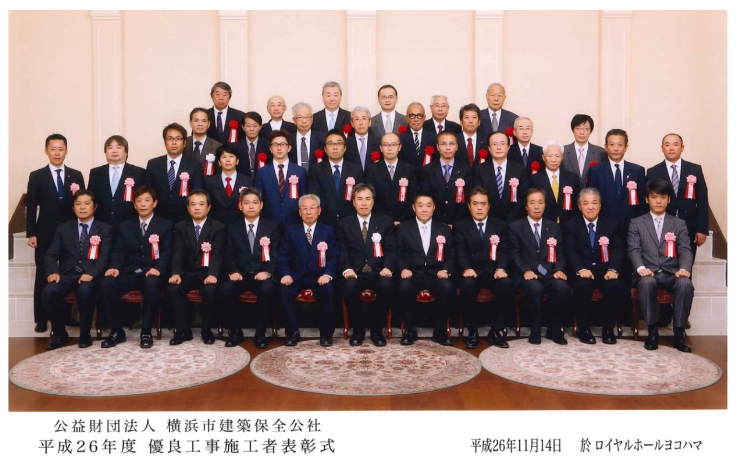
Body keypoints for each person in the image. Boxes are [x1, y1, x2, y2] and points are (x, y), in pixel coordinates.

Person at [100, 186, 174, 349]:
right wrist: (114, 267)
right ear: (134, 204)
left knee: (152, 284)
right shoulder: (125, 226)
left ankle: (146, 331)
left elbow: (168, 252)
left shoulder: (166, 225)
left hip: (152, 272)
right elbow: (119, 251)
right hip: (130, 272)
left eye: (147, 200)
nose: (143, 204)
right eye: (139, 201)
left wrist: (158, 268)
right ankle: (116, 331)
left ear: (154, 203)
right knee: (107, 283)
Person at [26, 133, 86, 333]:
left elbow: (82, 203)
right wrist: (31, 233)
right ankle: (42, 319)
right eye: (53, 149)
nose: (57, 153)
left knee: (68, 271)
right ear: (46, 151)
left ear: (66, 151)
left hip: (70, 231)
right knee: (43, 274)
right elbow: (31, 206)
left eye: (61, 149)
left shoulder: (76, 175)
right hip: (45, 232)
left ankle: (67, 316)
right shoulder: (37, 176)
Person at [628, 179, 694, 353]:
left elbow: (685, 249)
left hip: (672, 273)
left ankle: (679, 334)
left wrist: (684, 268)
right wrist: (641, 268)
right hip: (648, 272)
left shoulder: (679, 223)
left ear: (668, 199)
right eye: (654, 197)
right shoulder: (637, 223)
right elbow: (634, 249)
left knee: (685, 284)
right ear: (646, 199)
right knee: (647, 282)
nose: (658, 201)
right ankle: (652, 332)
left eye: (663, 197)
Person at [43, 190, 113, 349]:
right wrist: (52, 271)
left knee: (85, 291)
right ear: (73, 208)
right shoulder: (63, 228)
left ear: (94, 207)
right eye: (78, 204)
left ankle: (85, 335)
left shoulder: (105, 229)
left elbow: (105, 257)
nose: (82, 207)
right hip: (67, 274)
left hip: (91, 275)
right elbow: (51, 254)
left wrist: (91, 273)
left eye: (87, 204)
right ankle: (60, 334)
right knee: (49, 292)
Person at [220, 187, 280, 349]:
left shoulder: (272, 226)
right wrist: (233, 271)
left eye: (254, 202)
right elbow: (228, 253)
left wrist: (267, 272)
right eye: (247, 203)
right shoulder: (232, 227)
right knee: (226, 289)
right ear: (240, 206)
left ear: (261, 205)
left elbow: (275, 254)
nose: (251, 206)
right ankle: (235, 332)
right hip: (240, 274)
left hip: (262, 273)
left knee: (268, 288)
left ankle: (260, 333)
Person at [562, 187, 624, 345]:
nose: (590, 207)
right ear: (579, 206)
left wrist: (613, 269)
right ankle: (583, 329)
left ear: (600, 205)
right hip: (582, 272)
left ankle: (608, 329)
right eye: (586, 203)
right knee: (583, 286)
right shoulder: (570, 225)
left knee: (615, 286)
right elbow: (570, 251)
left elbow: (618, 250)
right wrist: (580, 269)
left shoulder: (612, 225)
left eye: (594, 203)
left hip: (605, 271)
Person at [454, 186, 513, 349]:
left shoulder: (500, 225)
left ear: (489, 205)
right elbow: (460, 251)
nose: (479, 208)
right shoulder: (460, 226)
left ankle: (496, 331)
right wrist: (466, 268)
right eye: (475, 204)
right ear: (469, 206)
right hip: (472, 271)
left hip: (493, 271)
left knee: (506, 284)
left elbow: (504, 251)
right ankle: (472, 332)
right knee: (467, 285)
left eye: (483, 204)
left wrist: (501, 268)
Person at [509, 188, 569, 345]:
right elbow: (514, 254)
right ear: (526, 206)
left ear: (545, 205)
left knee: (562, 287)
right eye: (532, 203)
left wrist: (559, 269)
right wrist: (525, 270)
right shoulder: (515, 227)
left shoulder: (554, 227)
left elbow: (560, 253)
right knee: (535, 288)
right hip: (526, 273)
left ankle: (554, 330)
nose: (536, 206)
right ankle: (535, 330)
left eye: (540, 202)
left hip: (549, 272)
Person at [337, 184, 396, 346]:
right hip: (355, 272)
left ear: (373, 201)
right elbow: (342, 251)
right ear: (353, 202)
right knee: (349, 287)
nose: (364, 203)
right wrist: (347, 269)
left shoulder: (385, 221)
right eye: (360, 199)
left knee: (386, 285)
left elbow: (392, 249)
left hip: (379, 272)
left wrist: (387, 267)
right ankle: (358, 331)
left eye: (368, 199)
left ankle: (377, 331)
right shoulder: (344, 224)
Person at [278, 194, 339, 347]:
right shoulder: (291, 231)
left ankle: (326, 334)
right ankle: (292, 332)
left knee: (329, 289)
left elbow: (334, 256)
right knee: (284, 290)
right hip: (297, 276)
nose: (308, 212)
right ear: (300, 212)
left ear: (319, 210)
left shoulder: (328, 231)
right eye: (304, 208)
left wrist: (327, 274)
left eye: (312, 208)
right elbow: (283, 256)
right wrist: (286, 274)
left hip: (320, 276)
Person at [168, 190, 227, 345]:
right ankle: (183, 331)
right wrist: (176, 273)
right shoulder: (180, 227)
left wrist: (213, 274)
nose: (197, 208)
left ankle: (206, 331)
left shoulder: (218, 227)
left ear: (209, 207)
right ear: (188, 208)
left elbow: (218, 253)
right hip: (188, 274)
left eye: (201, 204)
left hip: (207, 273)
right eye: (193, 204)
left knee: (211, 290)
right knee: (174, 288)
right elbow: (177, 252)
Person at [396, 193, 454, 346]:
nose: (424, 209)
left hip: (436, 274)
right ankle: (409, 331)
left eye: (428, 205)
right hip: (413, 273)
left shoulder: (444, 229)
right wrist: (403, 268)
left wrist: (445, 270)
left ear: (434, 208)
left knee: (447, 287)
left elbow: (451, 256)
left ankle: (440, 332)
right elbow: (399, 254)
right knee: (404, 287)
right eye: (420, 205)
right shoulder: (403, 228)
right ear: (413, 208)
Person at [646, 133, 709, 261]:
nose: (671, 148)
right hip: (661, 226)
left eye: (675, 144)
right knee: (664, 264)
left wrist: (702, 229)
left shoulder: (695, 169)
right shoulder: (653, 171)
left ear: (682, 147)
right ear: (662, 148)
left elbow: (702, 201)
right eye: (667, 145)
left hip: (689, 226)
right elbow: (648, 201)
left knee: (686, 264)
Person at [586, 129, 647, 240]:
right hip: (604, 226)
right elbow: (591, 200)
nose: (616, 148)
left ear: (626, 147)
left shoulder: (637, 171)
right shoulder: (595, 171)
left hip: (632, 227)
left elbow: (642, 203)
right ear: (606, 147)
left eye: (620, 145)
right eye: (612, 144)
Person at [144, 123, 204, 224]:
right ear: (165, 142)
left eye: (178, 138)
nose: (174, 142)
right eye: (170, 139)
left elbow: (198, 192)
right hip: (158, 219)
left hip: (185, 219)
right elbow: (148, 192)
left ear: (184, 142)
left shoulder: (194, 165)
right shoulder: (153, 164)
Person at [87, 135, 146, 235]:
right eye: (110, 147)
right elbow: (91, 199)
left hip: (130, 226)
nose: (114, 151)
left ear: (126, 152)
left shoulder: (139, 173)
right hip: (101, 226)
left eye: (119, 147)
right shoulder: (96, 173)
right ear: (105, 152)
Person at [307, 130, 364, 227]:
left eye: (339, 143)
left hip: (350, 222)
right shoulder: (316, 170)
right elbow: (314, 197)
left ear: (344, 148)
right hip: (324, 222)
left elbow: (360, 197)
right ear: (325, 149)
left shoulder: (355, 169)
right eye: (330, 144)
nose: (335, 147)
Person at [253, 130, 308, 227]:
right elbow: (258, 199)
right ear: (270, 149)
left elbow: (304, 199)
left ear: (289, 148)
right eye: (275, 145)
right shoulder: (262, 172)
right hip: (269, 223)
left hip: (295, 222)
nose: (279, 148)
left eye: (282, 144)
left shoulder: (300, 171)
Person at [473, 130, 528, 223]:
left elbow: (523, 198)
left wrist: (511, 220)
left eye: (502, 144)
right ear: (489, 148)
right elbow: (478, 197)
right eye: (494, 144)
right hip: (488, 222)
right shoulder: (480, 170)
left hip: (514, 222)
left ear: (508, 147)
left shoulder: (520, 169)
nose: (498, 147)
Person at [419, 130, 472, 226]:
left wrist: (456, 224)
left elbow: (468, 199)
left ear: (457, 146)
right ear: (437, 147)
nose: (448, 148)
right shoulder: (427, 170)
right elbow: (426, 197)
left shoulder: (466, 170)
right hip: (435, 223)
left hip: (460, 223)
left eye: (451, 144)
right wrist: (439, 223)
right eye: (443, 144)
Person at [365, 133, 417, 224]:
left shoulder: (410, 169)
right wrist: (386, 221)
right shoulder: (372, 169)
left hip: (405, 221)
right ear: (381, 148)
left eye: (393, 144)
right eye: (386, 145)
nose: (390, 148)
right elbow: (371, 197)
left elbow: (412, 197)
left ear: (399, 147)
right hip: (380, 221)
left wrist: (401, 220)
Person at [529, 140, 580, 224]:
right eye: (550, 156)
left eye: (557, 156)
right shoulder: (535, 179)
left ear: (562, 157)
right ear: (544, 157)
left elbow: (577, 204)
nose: (553, 160)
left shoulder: (572, 178)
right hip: (545, 224)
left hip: (569, 224)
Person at [205, 144, 252, 224]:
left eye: (231, 156)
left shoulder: (247, 181)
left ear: (237, 161)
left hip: (240, 224)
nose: (228, 160)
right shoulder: (210, 182)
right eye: (224, 157)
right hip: (217, 225)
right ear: (219, 162)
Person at [562, 114, 606, 186]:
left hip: (592, 192)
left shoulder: (601, 152)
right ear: (573, 130)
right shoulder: (563, 151)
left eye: (586, 129)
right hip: (569, 192)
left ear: (590, 131)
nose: (582, 132)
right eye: (578, 128)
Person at [234, 111, 271, 179]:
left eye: (255, 126)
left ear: (260, 126)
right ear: (243, 127)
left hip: (263, 179)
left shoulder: (267, 145)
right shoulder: (236, 146)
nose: (251, 129)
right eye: (248, 126)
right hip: (243, 180)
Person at [290, 102, 326, 172]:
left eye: (307, 117)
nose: (304, 121)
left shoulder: (323, 138)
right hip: (293, 176)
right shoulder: (288, 140)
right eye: (300, 117)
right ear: (294, 120)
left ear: (312, 119)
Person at [398, 102, 434, 168]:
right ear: (407, 118)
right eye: (412, 116)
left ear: (424, 118)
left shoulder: (433, 138)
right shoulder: (400, 139)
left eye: (419, 115)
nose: (416, 119)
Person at [345, 106, 381, 171]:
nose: (361, 123)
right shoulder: (346, 143)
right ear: (352, 123)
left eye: (364, 119)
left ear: (369, 122)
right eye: (357, 119)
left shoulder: (379, 142)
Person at [455, 103, 488, 168]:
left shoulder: (486, 140)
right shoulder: (454, 140)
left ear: (479, 122)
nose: (470, 121)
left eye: (474, 117)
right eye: (467, 117)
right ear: (461, 121)